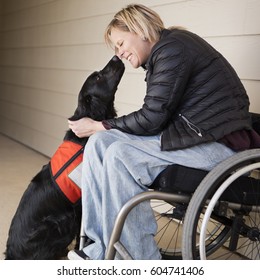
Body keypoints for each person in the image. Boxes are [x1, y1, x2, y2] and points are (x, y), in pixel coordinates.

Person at [67, 4, 258, 260]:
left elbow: (152, 117)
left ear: (139, 30)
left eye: (121, 43)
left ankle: (143, 260)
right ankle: (99, 247)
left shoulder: (173, 49)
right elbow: (157, 116)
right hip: (192, 138)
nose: (120, 53)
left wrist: (100, 124)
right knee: (100, 143)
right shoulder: (165, 51)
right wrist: (102, 131)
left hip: (219, 148)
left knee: (119, 154)